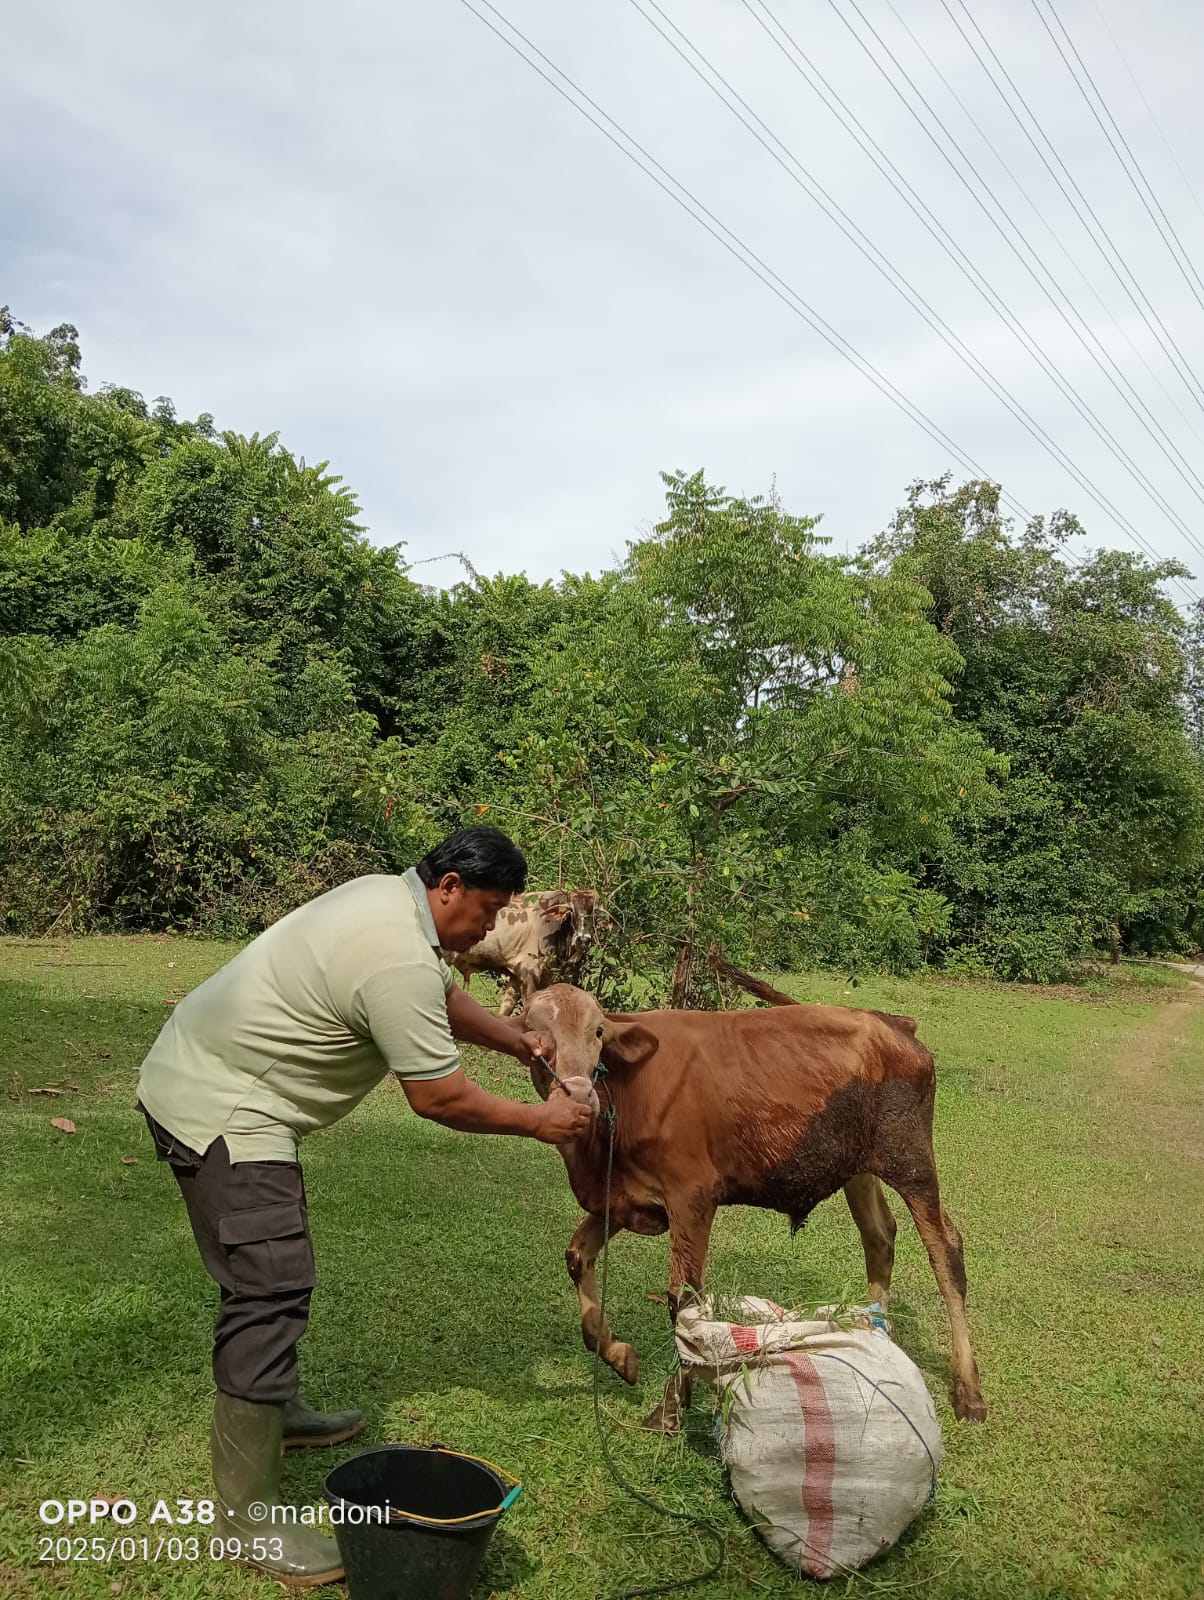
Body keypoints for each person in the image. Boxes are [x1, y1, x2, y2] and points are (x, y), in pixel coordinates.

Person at [136, 826, 592, 1587]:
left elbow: (442, 997)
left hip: (220, 1084)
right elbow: (437, 1096)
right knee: (270, 1284)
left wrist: (514, 1040)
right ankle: (244, 1524)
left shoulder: (392, 901)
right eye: (485, 908)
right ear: (447, 885)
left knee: (270, 1273)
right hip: (221, 1108)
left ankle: (274, 1415)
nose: (489, 926)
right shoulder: (396, 954)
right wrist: (541, 1121)